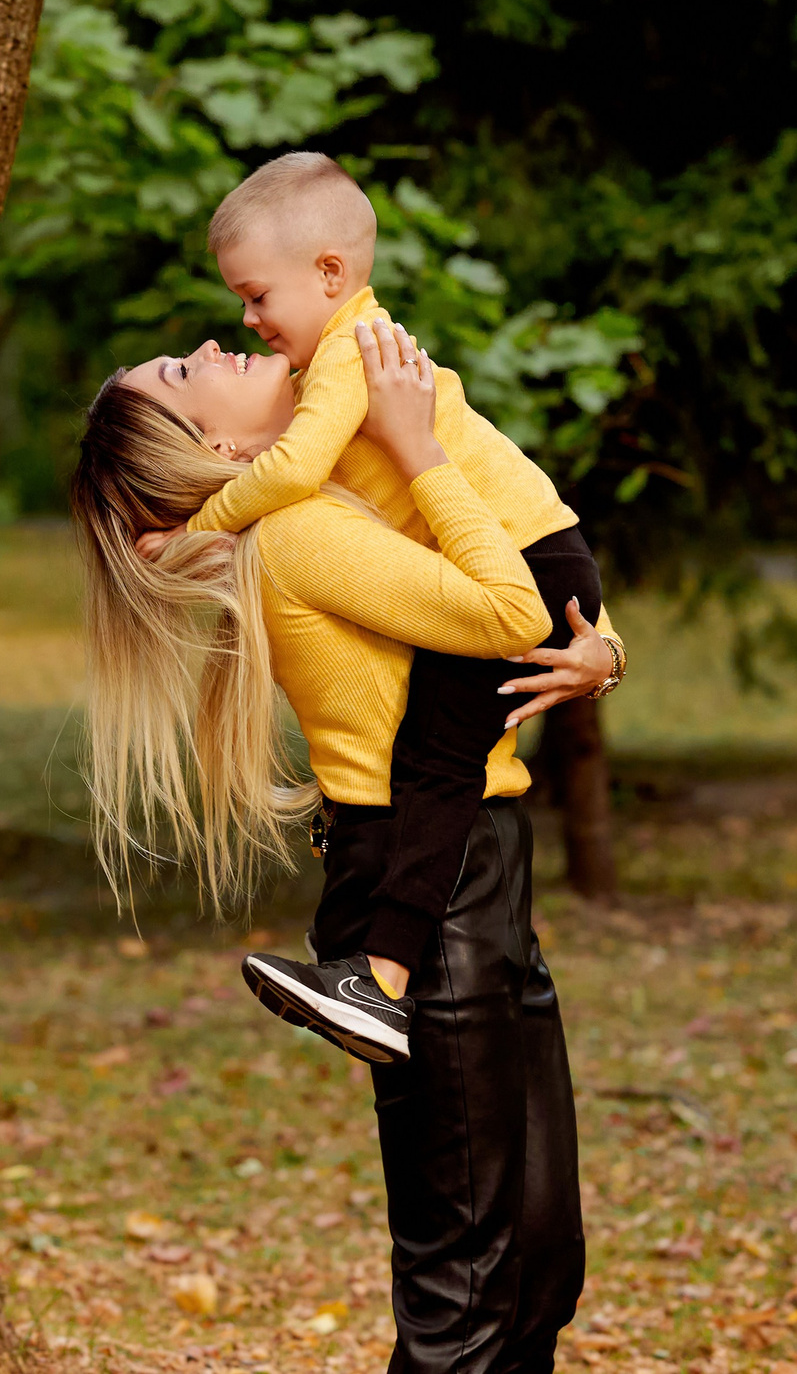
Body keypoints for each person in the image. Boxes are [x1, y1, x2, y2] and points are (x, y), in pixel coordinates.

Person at [71, 318, 614, 1374]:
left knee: (535, 1263)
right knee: (469, 1285)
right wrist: (422, 446)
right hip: (431, 899)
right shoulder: (302, 533)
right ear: (219, 454)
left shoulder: (317, 503)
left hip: (475, 870)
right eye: (184, 373)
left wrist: (601, 650)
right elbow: (508, 610)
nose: (213, 341)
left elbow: (518, 635)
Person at [146, 152, 622, 1028]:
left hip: (529, 560)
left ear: (328, 273)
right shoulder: (357, 346)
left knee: (435, 763)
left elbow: (292, 469)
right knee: (431, 756)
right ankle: (367, 969)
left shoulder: (350, 357)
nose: (245, 320)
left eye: (256, 296)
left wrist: (196, 529)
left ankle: (385, 976)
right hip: (534, 553)